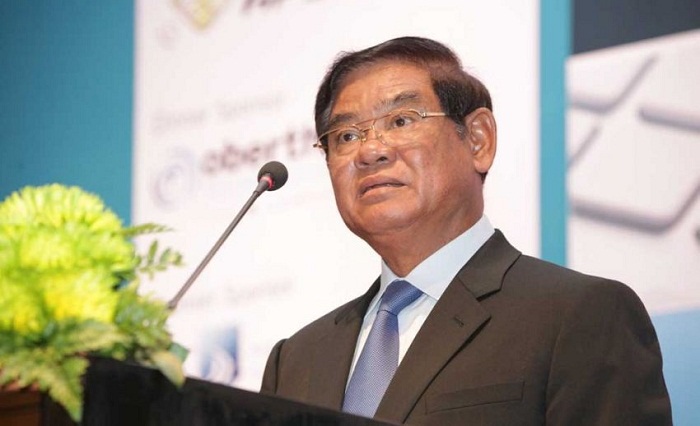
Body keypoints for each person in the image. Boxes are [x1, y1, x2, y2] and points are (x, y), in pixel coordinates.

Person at [260, 36, 672, 425]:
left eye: (401, 120)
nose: (370, 151)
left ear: (478, 140)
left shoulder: (578, 315)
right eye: (346, 135)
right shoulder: (295, 361)